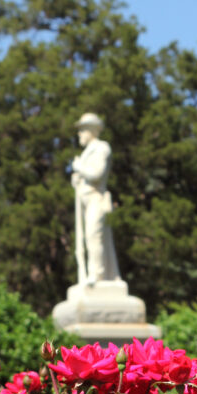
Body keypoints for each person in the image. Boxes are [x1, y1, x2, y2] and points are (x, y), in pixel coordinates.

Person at [71, 113, 120, 285]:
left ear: (91, 130)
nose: (79, 134)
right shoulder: (86, 153)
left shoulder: (101, 148)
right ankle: (96, 274)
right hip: (85, 201)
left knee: (94, 236)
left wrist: (79, 168)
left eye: (82, 130)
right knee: (91, 238)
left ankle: (97, 275)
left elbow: (96, 174)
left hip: (96, 199)